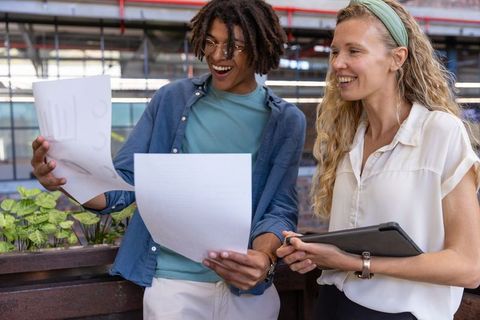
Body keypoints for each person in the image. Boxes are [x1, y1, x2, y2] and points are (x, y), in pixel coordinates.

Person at [31, 0, 306, 319]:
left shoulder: (286, 121)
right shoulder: (171, 101)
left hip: (246, 293)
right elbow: (123, 185)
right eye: (211, 42)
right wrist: (62, 176)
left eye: (234, 46)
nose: (217, 56)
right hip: (173, 289)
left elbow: (280, 206)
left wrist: (263, 258)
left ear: (259, 48)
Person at [277, 0, 480, 319]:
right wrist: (317, 254)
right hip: (333, 304)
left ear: (396, 58)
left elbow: (468, 266)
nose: (338, 63)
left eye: (353, 51)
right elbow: (354, 240)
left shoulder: (440, 132)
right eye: (334, 52)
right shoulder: (348, 136)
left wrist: (356, 263)